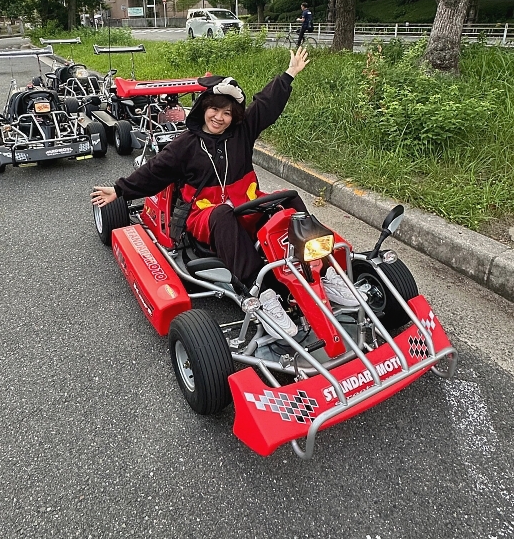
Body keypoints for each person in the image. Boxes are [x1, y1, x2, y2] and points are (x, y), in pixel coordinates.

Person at [91, 46, 358, 330]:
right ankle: (263, 293)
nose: (220, 117)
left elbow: (265, 106)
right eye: (215, 109)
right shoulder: (186, 145)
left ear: (234, 117)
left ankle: (324, 273)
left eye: (227, 113)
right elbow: (154, 172)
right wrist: (119, 191)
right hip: (205, 217)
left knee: (289, 200)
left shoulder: (241, 134)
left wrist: (289, 74)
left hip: (247, 205)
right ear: (204, 108)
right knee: (222, 215)